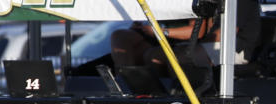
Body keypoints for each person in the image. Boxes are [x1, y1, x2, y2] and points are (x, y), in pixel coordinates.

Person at [110, 0, 261, 70]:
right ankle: (130, 90)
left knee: (174, 56)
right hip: (196, 42)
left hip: (232, 48)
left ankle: (178, 100)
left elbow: (222, 34)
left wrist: (163, 32)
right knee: (122, 38)